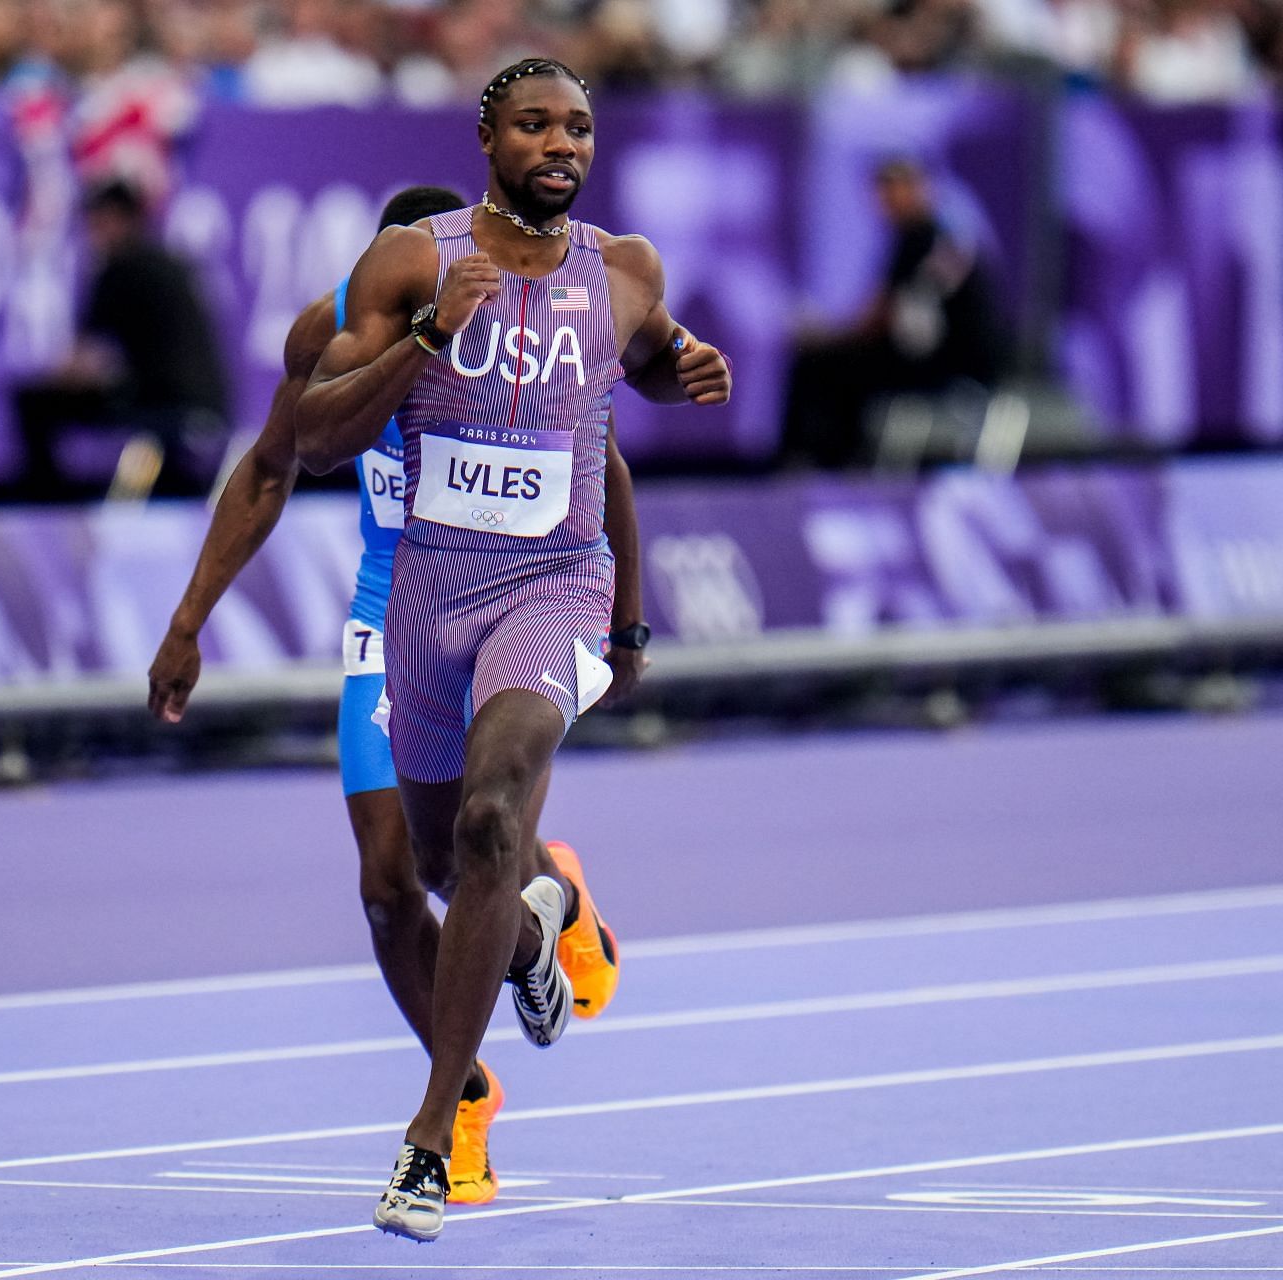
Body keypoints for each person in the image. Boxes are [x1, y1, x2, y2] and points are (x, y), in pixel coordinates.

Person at [294, 57, 730, 1243]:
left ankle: (433, 1136)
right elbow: (313, 439)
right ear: (488, 137)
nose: (562, 144)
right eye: (536, 123)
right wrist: (429, 334)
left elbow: (645, 369)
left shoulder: (625, 268)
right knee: (442, 861)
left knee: (493, 817)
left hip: (555, 587)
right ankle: (538, 927)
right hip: (427, 602)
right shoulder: (410, 265)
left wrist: (688, 369)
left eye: (580, 127)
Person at [147, 183, 647, 1210]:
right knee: (391, 885)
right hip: (395, 612)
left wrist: (629, 619)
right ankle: (503, 1000)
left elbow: (605, 468)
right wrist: (190, 618)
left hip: (518, 596)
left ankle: (443, 1109)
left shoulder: (515, 320)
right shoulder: (330, 330)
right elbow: (271, 468)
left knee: (481, 830)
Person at [776, 156, 1002, 470]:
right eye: (882, 191)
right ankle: (834, 458)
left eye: (894, 189)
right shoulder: (926, 236)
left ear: (919, 188)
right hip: (935, 357)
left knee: (817, 364)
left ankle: (819, 462)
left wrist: (826, 336)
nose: (886, 200)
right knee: (840, 364)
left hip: (948, 365)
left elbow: (881, 317)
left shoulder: (925, 238)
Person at [13, 178, 230, 500]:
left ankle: (48, 504)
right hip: (209, 403)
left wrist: (56, 378)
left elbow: (80, 363)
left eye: (96, 223)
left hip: (162, 402)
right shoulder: (170, 262)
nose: (91, 234)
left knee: (32, 403)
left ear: (119, 219)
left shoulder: (119, 269)